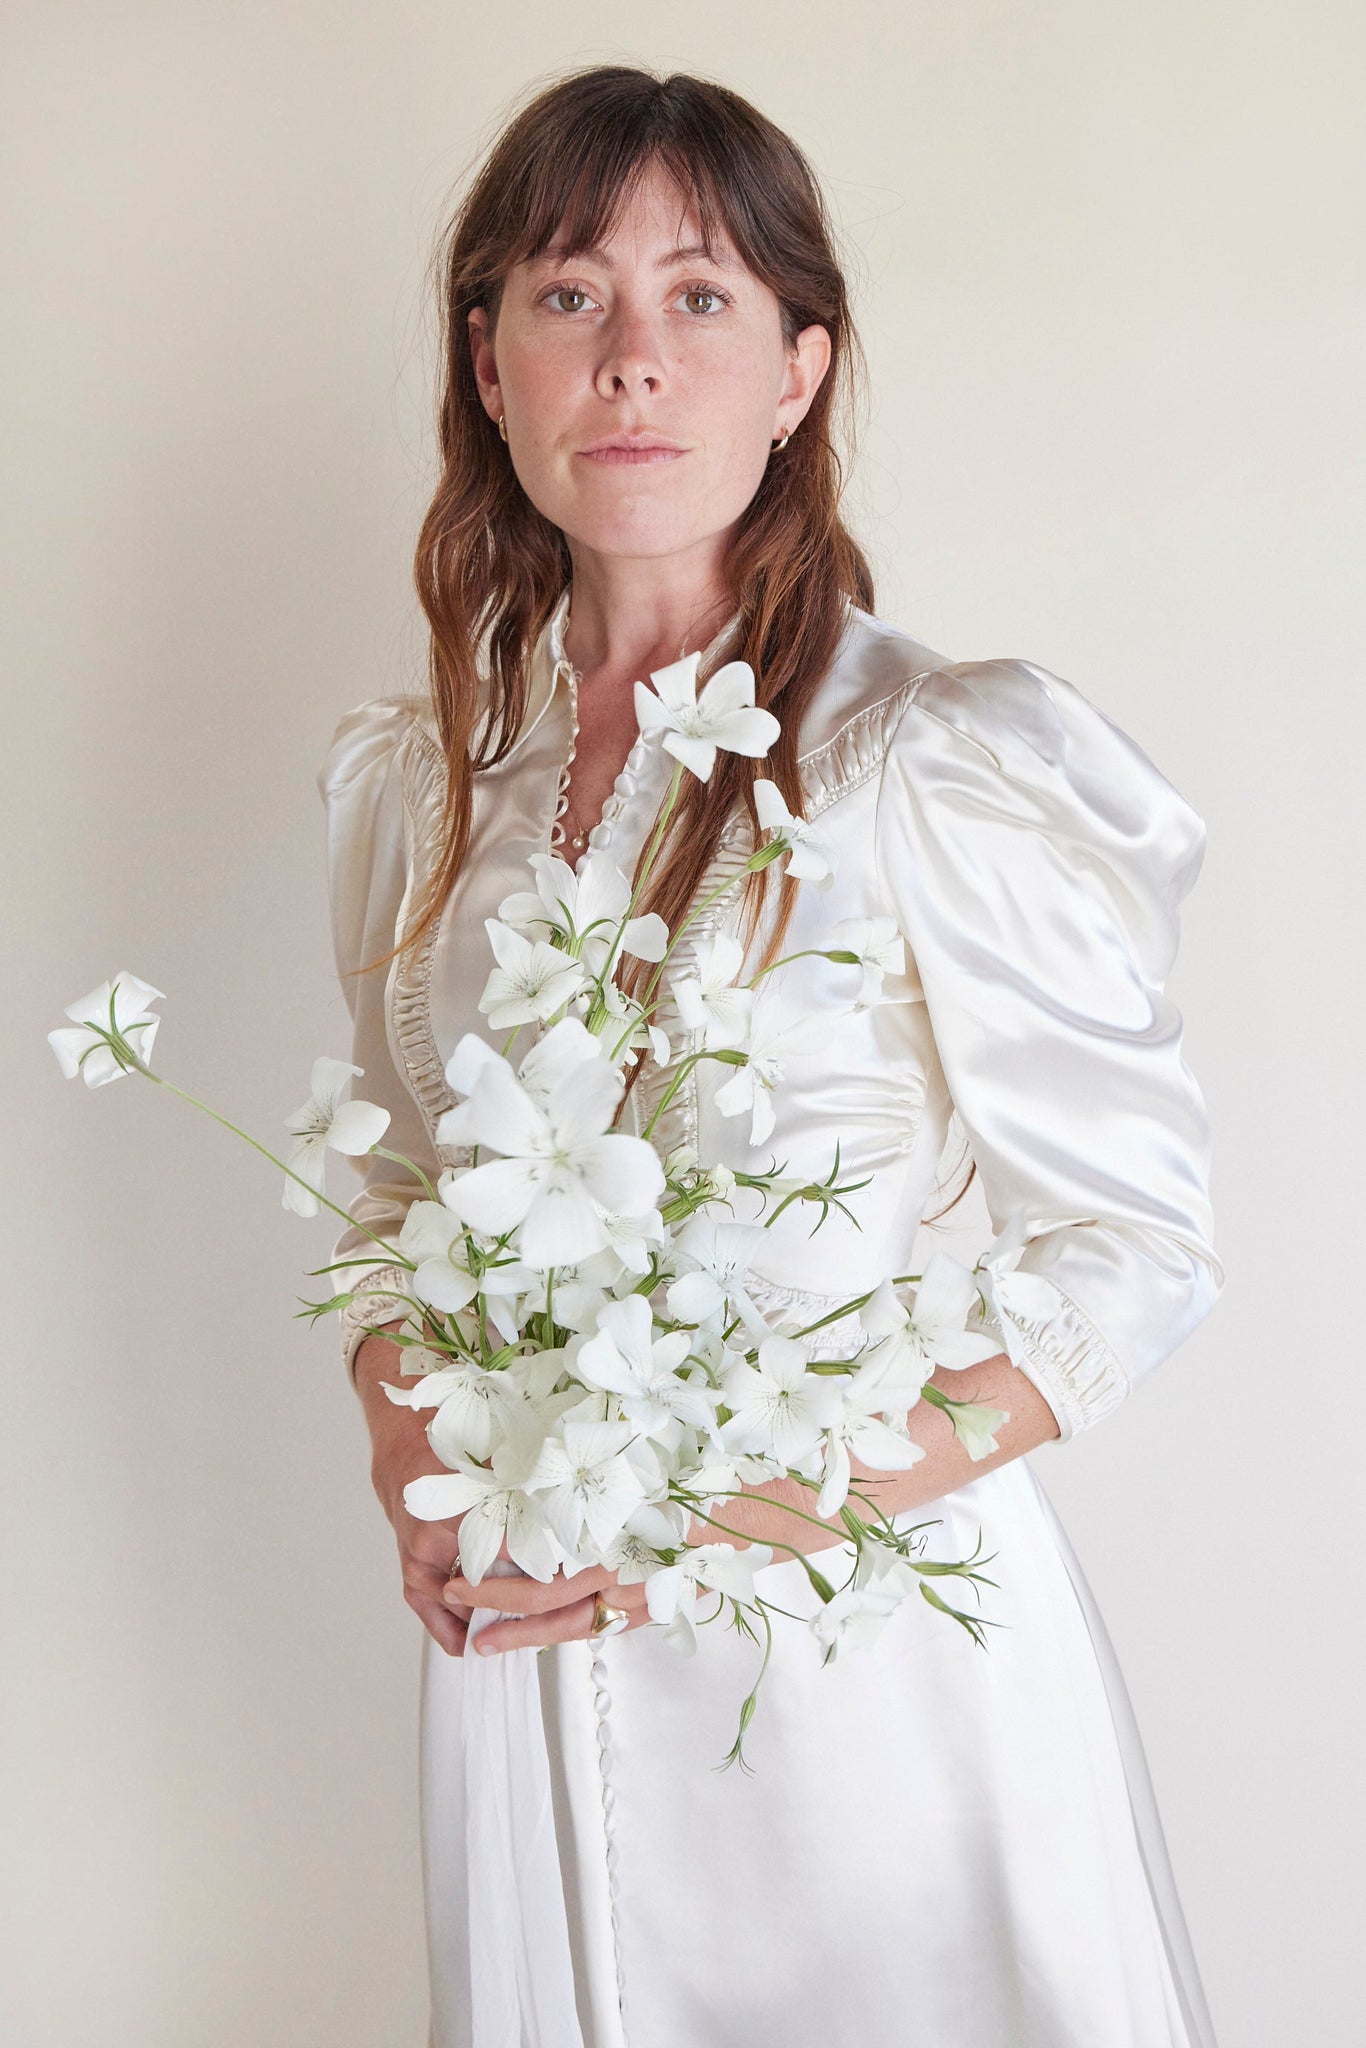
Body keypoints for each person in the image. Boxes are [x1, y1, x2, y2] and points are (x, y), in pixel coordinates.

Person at [317, 64, 1225, 2048]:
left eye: (700, 297)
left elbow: (1131, 1253)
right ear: (489, 365)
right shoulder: (422, 792)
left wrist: (766, 1515)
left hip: (855, 1676)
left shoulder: (928, 756)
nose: (631, 361)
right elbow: (391, 1192)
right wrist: (409, 1446)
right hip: (520, 1662)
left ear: (799, 370)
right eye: (569, 297)